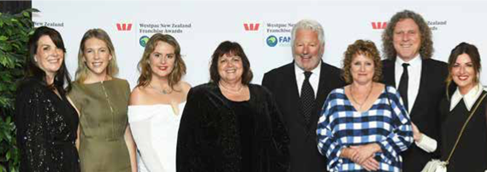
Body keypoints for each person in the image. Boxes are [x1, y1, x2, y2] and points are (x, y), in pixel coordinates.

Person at [176, 41, 290, 172]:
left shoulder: (263, 95)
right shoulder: (201, 96)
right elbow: (187, 147)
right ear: (216, 67)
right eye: (223, 60)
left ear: (244, 64)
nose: (230, 65)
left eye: (235, 59)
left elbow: (281, 138)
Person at [262, 19, 345, 172]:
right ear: (293, 47)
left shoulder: (340, 79)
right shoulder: (272, 80)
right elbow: (266, 132)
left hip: (329, 167)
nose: (305, 51)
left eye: (311, 45)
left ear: (322, 48)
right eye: (300, 45)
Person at [317, 40, 413, 171]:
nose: (362, 69)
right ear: (349, 67)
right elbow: (322, 138)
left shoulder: (390, 95)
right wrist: (350, 154)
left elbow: (406, 134)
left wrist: (373, 148)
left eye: (367, 64)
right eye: (357, 63)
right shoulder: (335, 97)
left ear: (375, 67)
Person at [414, 42, 487, 171]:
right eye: (456, 65)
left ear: (477, 68)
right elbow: (442, 150)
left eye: (468, 65)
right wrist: (420, 137)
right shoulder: (445, 103)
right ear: (450, 69)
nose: (462, 71)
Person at [380, 10, 449, 172]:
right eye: (399, 33)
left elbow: (451, 125)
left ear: (422, 37)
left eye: (411, 32)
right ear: (391, 38)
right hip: (383, 164)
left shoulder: (443, 72)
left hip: (428, 164)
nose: (405, 38)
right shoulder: (376, 71)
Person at [68, 28, 137, 172]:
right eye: (90, 51)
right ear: (83, 57)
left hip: (122, 162)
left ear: (110, 54)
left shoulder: (123, 86)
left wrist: (134, 169)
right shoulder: (74, 90)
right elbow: (76, 139)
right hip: (91, 164)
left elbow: (127, 134)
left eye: (102, 50)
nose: (96, 57)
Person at [14, 26, 80, 172]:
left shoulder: (57, 89)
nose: (54, 53)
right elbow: (35, 152)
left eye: (58, 47)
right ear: (35, 56)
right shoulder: (32, 91)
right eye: (46, 48)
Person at [128, 33, 190, 172]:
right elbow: (145, 148)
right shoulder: (139, 94)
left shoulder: (186, 89)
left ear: (175, 60)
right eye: (157, 55)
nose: (163, 61)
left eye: (169, 56)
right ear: (148, 59)